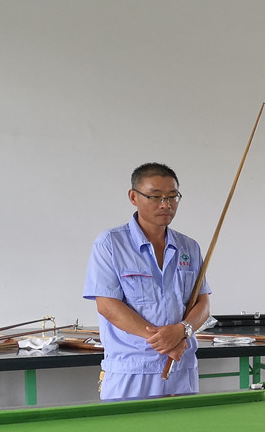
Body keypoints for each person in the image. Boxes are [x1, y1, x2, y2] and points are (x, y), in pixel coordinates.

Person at [83, 163, 211, 399]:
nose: (166, 204)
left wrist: (182, 330)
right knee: (128, 425)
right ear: (134, 197)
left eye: (172, 196)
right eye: (155, 196)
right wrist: (165, 340)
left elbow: (203, 303)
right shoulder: (110, 243)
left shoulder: (189, 247)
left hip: (181, 367)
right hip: (131, 371)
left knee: (186, 424)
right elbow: (108, 306)